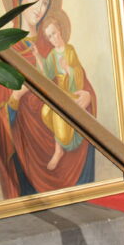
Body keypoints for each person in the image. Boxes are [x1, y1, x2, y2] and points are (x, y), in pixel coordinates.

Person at [0, 0, 96, 198]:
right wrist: (16, 97)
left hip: (63, 128)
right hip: (29, 145)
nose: (40, 7)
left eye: (45, 1)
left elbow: (79, 79)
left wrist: (87, 96)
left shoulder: (55, 41)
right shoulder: (4, 46)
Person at [38, 11, 95, 171]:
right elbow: (47, 75)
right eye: (49, 36)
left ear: (60, 30)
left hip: (71, 92)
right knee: (45, 112)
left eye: (54, 33)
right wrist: (37, 57)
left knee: (58, 113)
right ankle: (58, 149)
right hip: (60, 92)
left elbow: (78, 72)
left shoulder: (69, 50)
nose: (53, 38)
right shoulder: (51, 55)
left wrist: (68, 69)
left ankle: (59, 150)